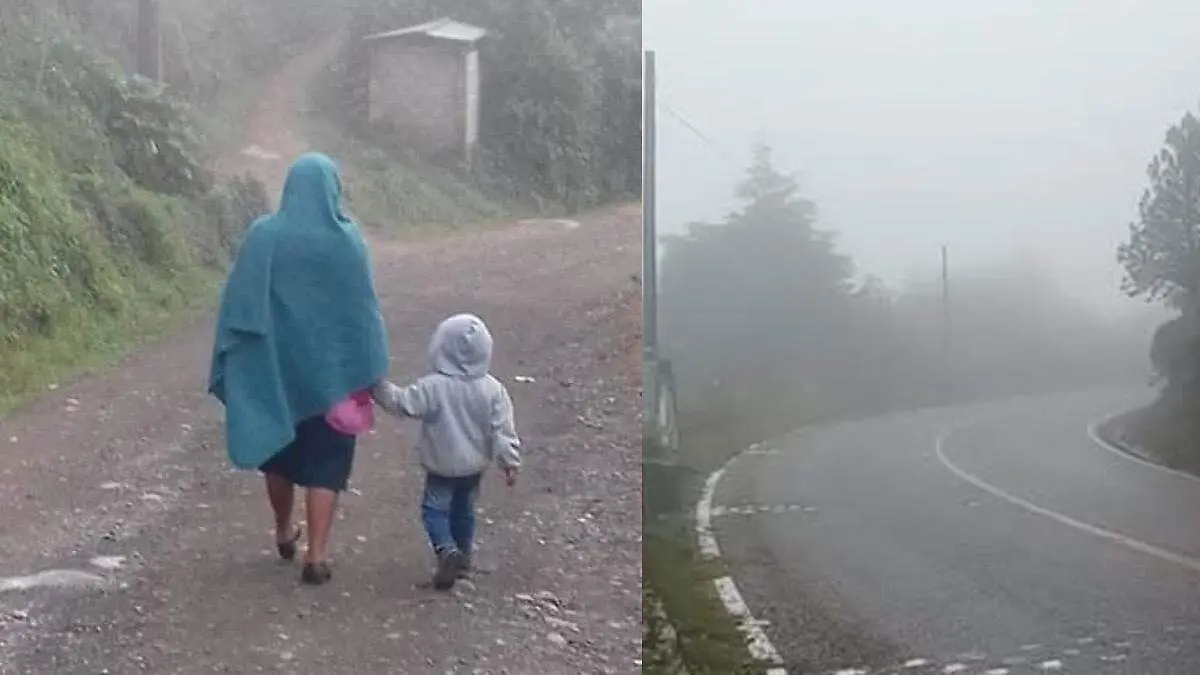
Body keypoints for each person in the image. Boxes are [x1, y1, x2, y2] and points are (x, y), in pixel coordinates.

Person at [208, 152, 389, 586]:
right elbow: (363, 312)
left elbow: (238, 305)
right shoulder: (347, 242)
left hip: (276, 376)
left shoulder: (263, 236)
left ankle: (284, 530)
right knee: (326, 464)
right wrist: (367, 366)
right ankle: (318, 554)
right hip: (334, 380)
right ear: (332, 190)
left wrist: (239, 360)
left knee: (279, 456)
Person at [371, 313, 521, 590]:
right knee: (464, 510)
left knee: (434, 510)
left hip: (441, 465)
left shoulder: (433, 386)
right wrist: (509, 461)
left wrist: (376, 385)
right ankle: (462, 559)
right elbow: (503, 430)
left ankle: (446, 550)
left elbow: (403, 403)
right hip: (474, 466)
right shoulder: (493, 390)